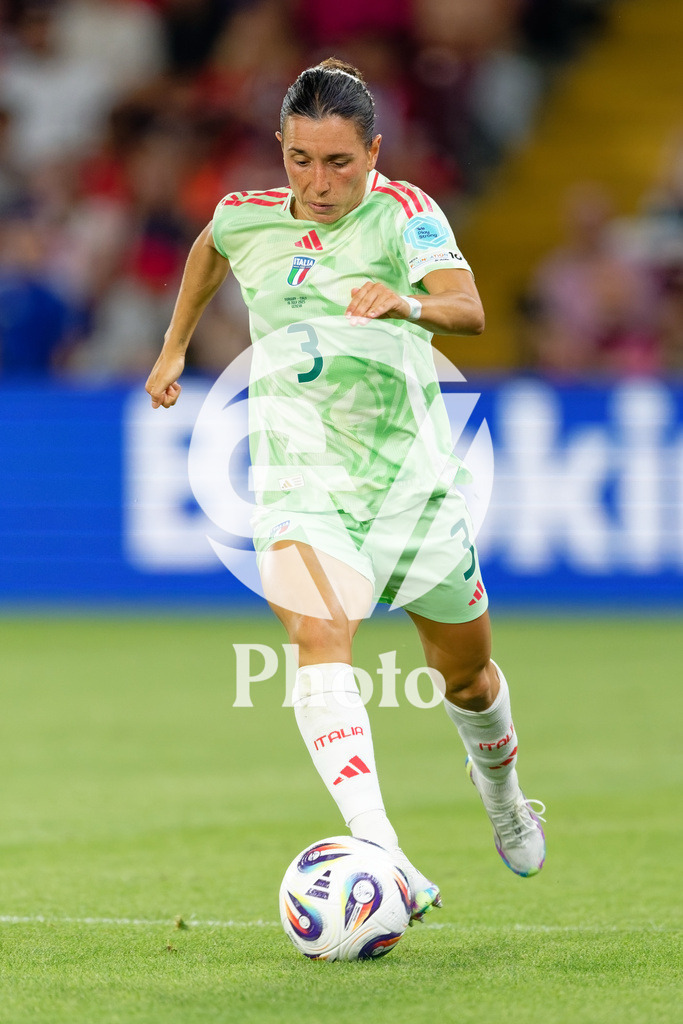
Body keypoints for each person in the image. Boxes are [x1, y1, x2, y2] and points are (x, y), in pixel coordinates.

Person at [145, 58, 546, 923]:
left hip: (411, 487)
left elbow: (467, 307)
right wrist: (174, 345)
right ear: (279, 149)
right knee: (318, 634)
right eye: (299, 160)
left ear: (374, 150)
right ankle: (383, 848)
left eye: (338, 162)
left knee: (466, 676)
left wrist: (405, 304)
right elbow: (210, 247)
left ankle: (503, 794)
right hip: (300, 477)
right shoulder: (247, 218)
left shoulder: (406, 215)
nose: (318, 183)